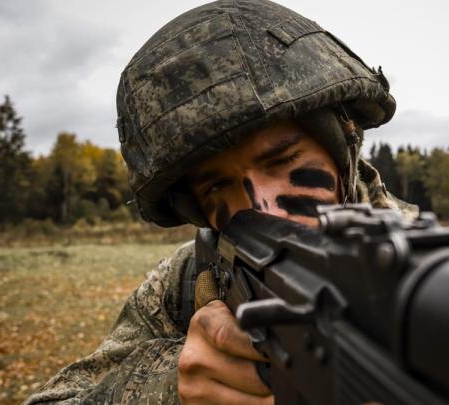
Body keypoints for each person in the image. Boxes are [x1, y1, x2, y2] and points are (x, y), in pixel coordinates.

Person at [25, 0, 416, 403]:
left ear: (341, 152)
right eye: (217, 187)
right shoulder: (188, 279)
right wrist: (168, 388)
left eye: (282, 161)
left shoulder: (422, 278)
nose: (264, 209)